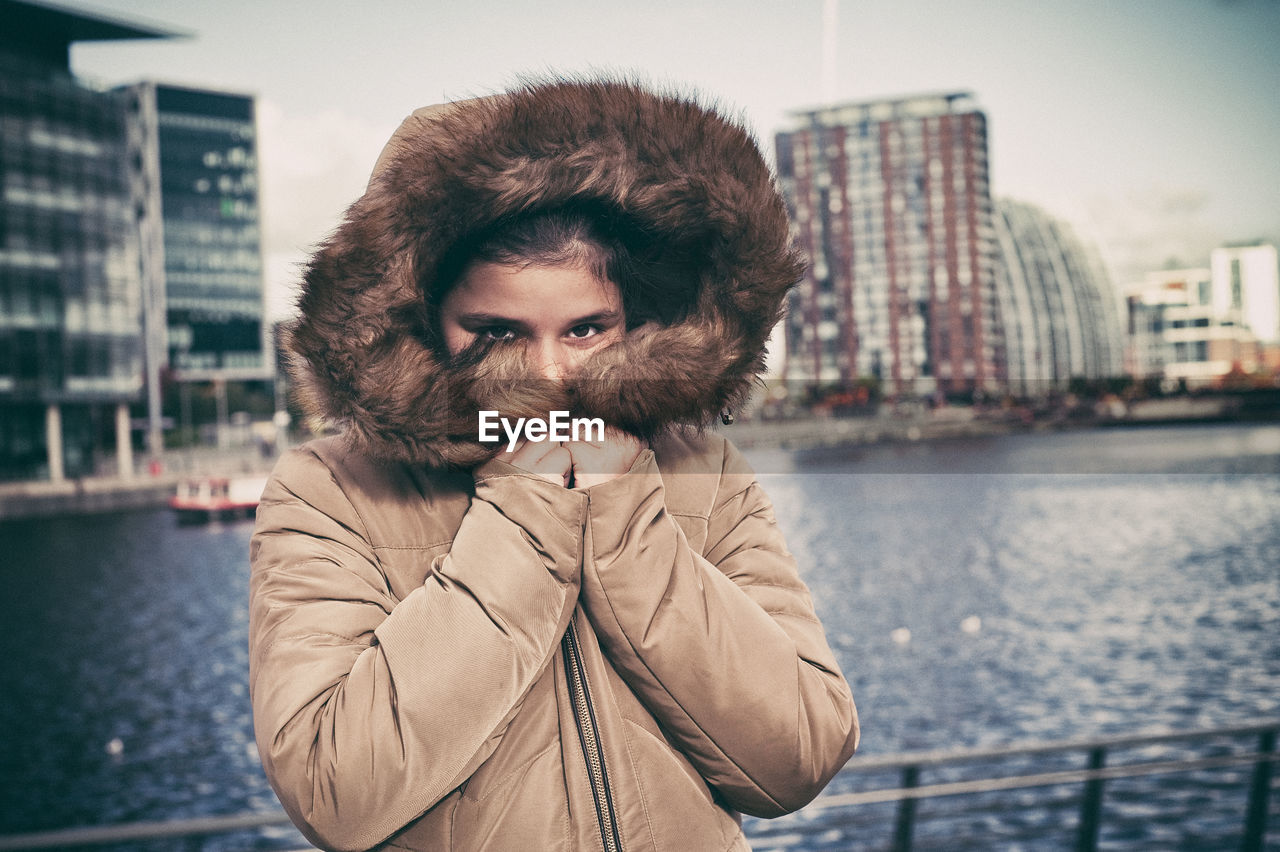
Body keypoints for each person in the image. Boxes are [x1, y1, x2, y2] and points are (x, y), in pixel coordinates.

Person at [249, 78, 859, 852]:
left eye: (585, 330)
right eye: (499, 332)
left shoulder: (704, 471)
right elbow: (335, 792)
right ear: (421, 319)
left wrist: (627, 519)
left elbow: (798, 757)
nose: (550, 376)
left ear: (633, 320)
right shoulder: (329, 492)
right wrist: (528, 510)